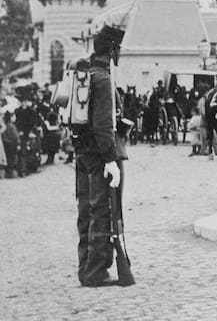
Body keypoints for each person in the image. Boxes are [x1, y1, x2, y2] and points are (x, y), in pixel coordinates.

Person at [74, 25, 129, 288]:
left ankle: (85, 266)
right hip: (99, 155)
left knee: (86, 209)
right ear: (113, 51)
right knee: (102, 208)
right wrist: (110, 160)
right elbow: (103, 125)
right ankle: (96, 270)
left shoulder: (86, 75)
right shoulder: (104, 79)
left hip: (83, 152)